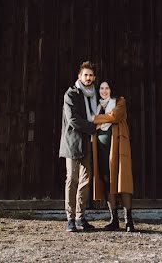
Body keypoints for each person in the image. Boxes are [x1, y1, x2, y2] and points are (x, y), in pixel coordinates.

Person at [59, 61, 98, 232]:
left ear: (94, 77)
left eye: (90, 75)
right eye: (85, 75)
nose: (88, 78)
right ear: (79, 77)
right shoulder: (71, 94)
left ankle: (81, 218)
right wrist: (93, 128)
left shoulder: (94, 95)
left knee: (85, 180)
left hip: (87, 143)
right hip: (73, 143)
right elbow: (73, 120)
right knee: (72, 180)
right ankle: (70, 219)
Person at [91, 80, 135, 232]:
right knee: (106, 179)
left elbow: (115, 116)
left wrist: (96, 119)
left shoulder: (120, 101)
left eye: (107, 88)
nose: (104, 91)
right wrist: (103, 116)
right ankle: (114, 219)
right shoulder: (97, 105)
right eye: (102, 88)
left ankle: (128, 220)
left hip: (117, 148)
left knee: (122, 181)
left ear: (112, 90)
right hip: (102, 149)